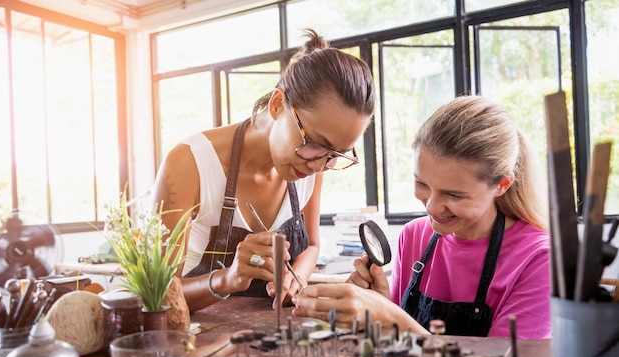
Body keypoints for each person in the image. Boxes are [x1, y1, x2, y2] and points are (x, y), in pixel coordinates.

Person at [151, 29, 376, 313]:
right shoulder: (189, 163)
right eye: (316, 144)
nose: (320, 165)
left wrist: (295, 281)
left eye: (335, 155)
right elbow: (155, 296)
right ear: (278, 104)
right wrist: (227, 279)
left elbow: (311, 246)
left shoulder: (310, 165)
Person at [292, 95, 551, 339]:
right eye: (422, 184)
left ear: (501, 185)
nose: (432, 208)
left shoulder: (540, 259)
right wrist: (380, 305)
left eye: (454, 195)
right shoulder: (415, 235)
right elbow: (401, 347)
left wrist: (389, 317)